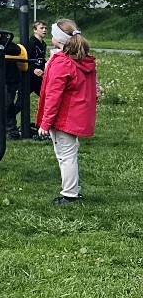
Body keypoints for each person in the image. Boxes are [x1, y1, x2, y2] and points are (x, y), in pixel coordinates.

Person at [36, 19, 97, 204]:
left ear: (59, 39)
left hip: (64, 117)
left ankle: (70, 194)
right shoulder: (82, 59)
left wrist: (45, 123)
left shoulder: (62, 63)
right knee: (70, 152)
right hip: (78, 115)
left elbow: (53, 97)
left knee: (65, 156)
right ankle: (73, 190)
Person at [27, 20, 47, 96]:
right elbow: (25, 59)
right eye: (41, 28)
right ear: (35, 30)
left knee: (45, 96)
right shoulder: (31, 42)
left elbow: (41, 58)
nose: (44, 30)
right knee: (22, 99)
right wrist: (33, 69)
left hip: (39, 75)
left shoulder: (43, 44)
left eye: (45, 28)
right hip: (29, 75)